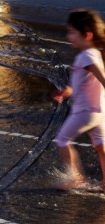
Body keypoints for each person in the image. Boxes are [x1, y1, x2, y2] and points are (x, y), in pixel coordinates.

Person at [53, 9, 105, 190]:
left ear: (87, 35)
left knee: (62, 140)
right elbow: (85, 81)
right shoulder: (94, 53)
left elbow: (102, 77)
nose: (69, 36)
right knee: (100, 146)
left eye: (72, 32)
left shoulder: (87, 55)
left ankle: (76, 178)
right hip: (99, 112)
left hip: (85, 112)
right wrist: (68, 91)